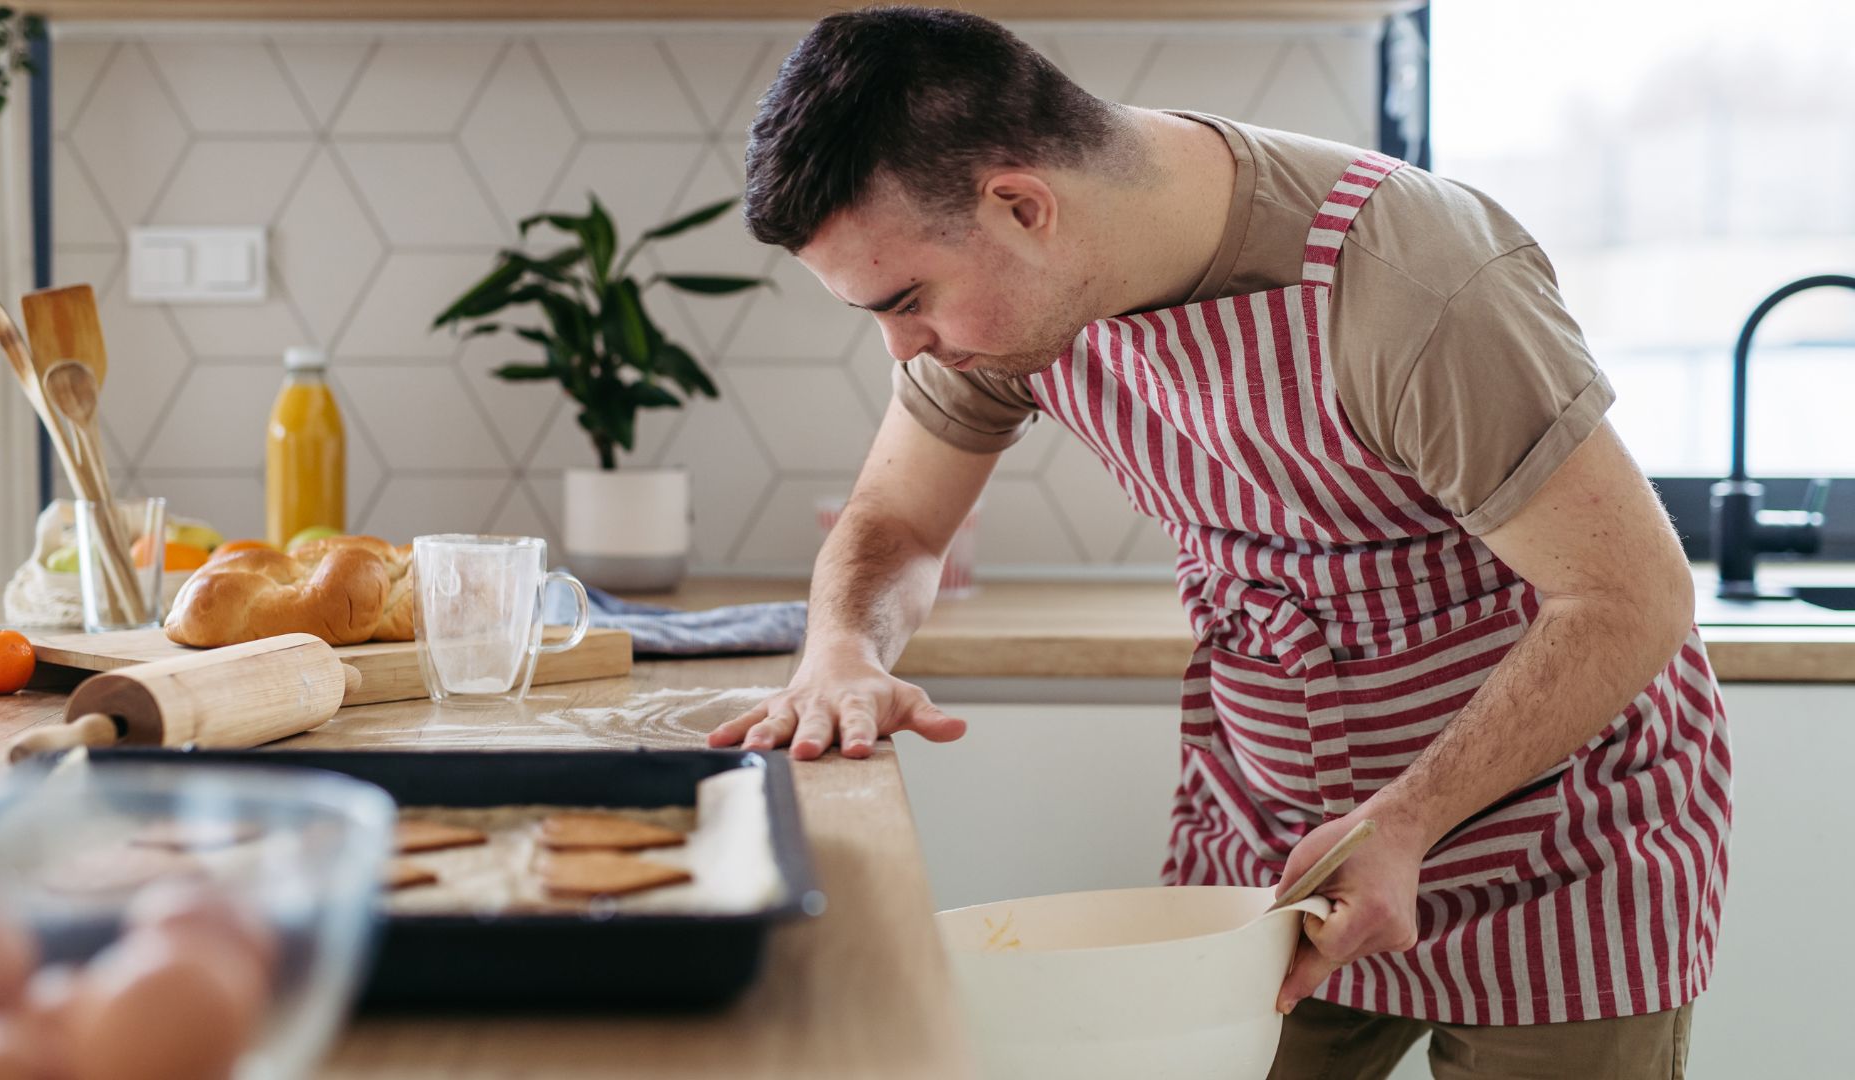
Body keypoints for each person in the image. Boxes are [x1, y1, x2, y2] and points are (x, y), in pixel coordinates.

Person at [708, 8, 1726, 1077]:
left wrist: (1408, 819)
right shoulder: (1012, 302)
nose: (903, 346)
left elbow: (1631, 597)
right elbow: (897, 522)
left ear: (1020, 205)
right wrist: (844, 652)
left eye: (909, 301)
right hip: (1271, 855)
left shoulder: (1414, 283)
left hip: (1556, 856)